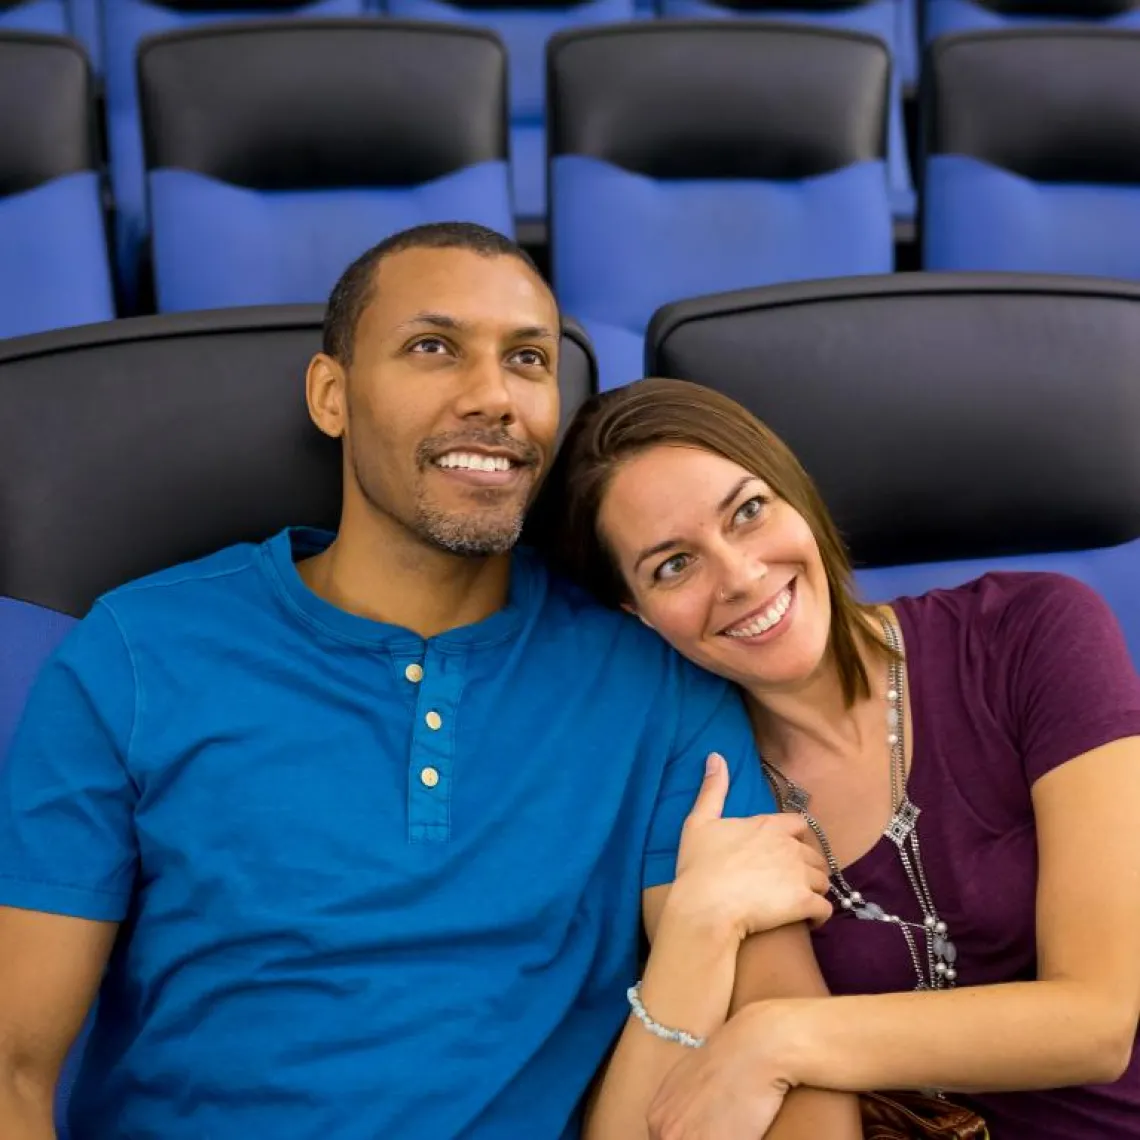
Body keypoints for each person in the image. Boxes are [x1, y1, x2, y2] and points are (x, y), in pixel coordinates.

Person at [0, 226, 846, 1140]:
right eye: (433, 348)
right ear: (332, 395)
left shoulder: (657, 683)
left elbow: (789, 1054)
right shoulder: (137, 651)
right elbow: (11, 1066)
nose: (493, 397)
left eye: (528, 358)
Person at [531, 376, 1140, 1139]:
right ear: (637, 615)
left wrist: (779, 1040)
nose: (743, 576)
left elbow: (1099, 1022)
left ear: (795, 492)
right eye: (673, 565)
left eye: (748, 512)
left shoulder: (1033, 632)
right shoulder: (706, 786)